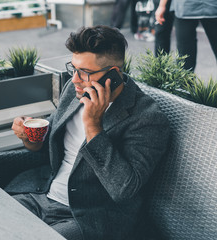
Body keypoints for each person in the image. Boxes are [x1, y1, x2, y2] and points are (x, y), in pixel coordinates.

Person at [9, 25, 170, 240]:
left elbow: (124, 189)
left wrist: (94, 127)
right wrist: (29, 137)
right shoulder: (73, 90)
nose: (75, 79)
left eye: (85, 73)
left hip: (88, 217)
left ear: (113, 74)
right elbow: (45, 143)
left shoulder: (146, 117)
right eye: (73, 68)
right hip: (40, 195)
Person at [156, 0, 217, 71]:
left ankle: (185, 80)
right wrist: (162, 6)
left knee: (185, 59)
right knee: (185, 60)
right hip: (190, 8)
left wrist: (162, 6)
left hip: (187, 8)